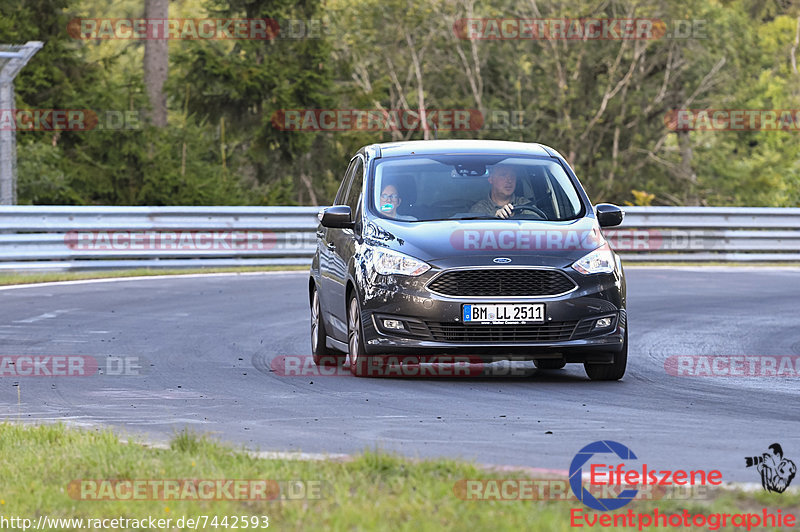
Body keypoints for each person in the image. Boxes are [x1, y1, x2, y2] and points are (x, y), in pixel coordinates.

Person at [470, 165, 534, 219]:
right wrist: (495, 219)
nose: (509, 180)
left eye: (512, 175)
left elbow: (539, 226)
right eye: (503, 175)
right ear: (491, 179)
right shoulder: (479, 209)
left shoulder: (525, 204)